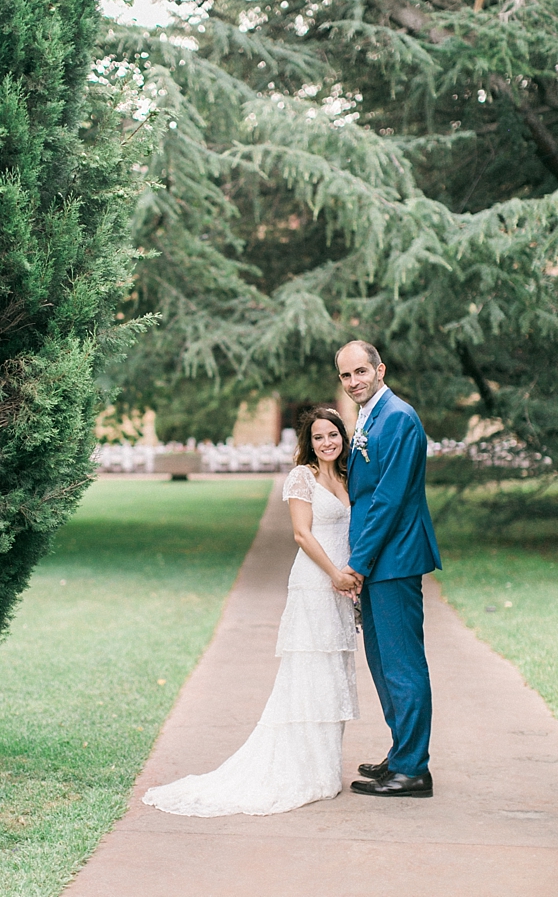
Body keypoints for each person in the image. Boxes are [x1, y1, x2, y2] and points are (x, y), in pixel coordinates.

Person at [142, 407, 359, 816]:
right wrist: (333, 573)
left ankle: (325, 768)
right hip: (315, 581)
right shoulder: (303, 478)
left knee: (332, 670)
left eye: (333, 434)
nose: (327, 442)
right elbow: (301, 533)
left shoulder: (346, 477)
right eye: (318, 437)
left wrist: (351, 574)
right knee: (309, 670)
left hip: (341, 585)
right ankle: (303, 769)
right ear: (308, 443)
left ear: (342, 438)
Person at [335, 340, 441, 799]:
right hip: (379, 559)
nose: (354, 381)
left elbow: (389, 498)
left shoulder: (398, 417)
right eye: (346, 375)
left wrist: (357, 563)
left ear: (380, 369)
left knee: (402, 664)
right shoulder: (370, 415)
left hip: (393, 559)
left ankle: (414, 769)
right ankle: (402, 755)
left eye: (361, 371)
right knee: (382, 661)